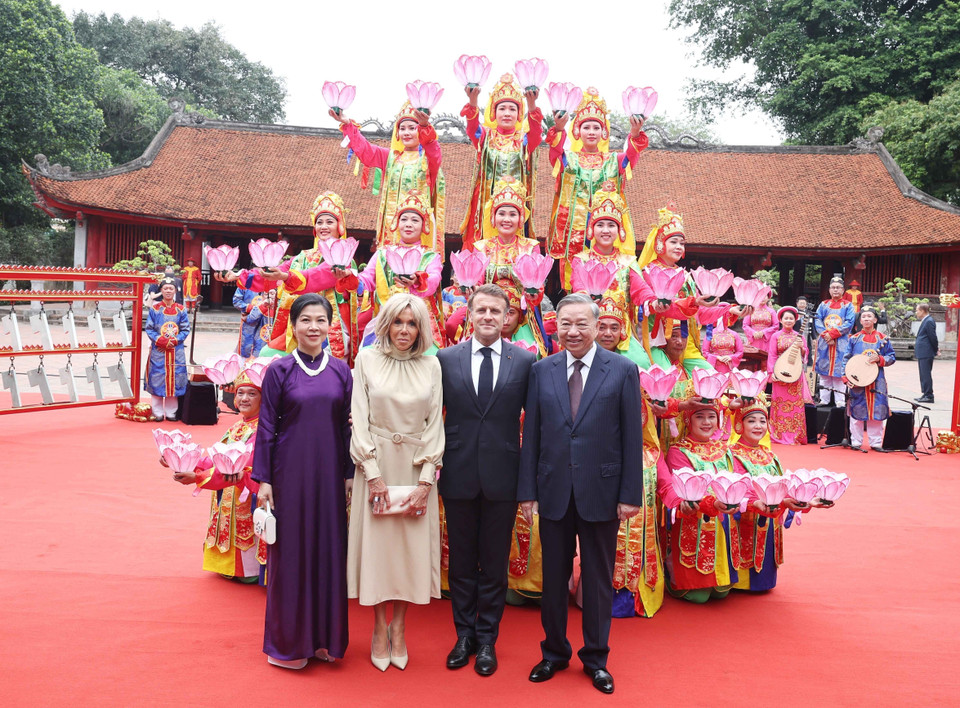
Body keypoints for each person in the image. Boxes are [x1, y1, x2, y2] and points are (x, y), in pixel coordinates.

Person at [518, 293, 644, 695]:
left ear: (596, 326)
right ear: (555, 326)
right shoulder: (541, 370)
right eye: (564, 324)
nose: (572, 332)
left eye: (581, 324)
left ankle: (596, 658)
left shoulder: (622, 370)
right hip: (552, 489)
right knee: (553, 579)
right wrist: (527, 492)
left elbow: (631, 436)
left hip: (602, 492)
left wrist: (630, 495)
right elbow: (532, 435)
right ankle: (553, 652)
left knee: (597, 578)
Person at [436, 284, 536, 676]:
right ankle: (463, 636)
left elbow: (537, 423)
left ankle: (488, 639)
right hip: (457, 472)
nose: (489, 317)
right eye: (482, 310)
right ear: (470, 314)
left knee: (493, 563)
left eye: (497, 311)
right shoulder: (446, 359)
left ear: (508, 316)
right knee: (461, 562)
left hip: (504, 476)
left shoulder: (525, 362)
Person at [251, 293, 354, 669]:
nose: (314, 327)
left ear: (331, 325)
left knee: (328, 551)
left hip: (329, 476)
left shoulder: (342, 371)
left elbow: (346, 427)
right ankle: (290, 644)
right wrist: (264, 479)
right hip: (288, 475)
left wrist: (348, 474)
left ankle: (325, 640)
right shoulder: (279, 370)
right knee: (291, 556)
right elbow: (265, 427)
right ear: (293, 325)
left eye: (321, 320)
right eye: (306, 320)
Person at [347, 294, 444, 671]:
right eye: (398, 322)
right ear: (385, 323)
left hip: (417, 466)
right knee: (377, 551)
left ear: (421, 329)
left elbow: (435, 424)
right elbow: (359, 416)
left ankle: (399, 628)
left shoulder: (432, 365)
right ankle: (376, 629)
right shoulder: (366, 359)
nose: (404, 330)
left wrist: (425, 481)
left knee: (408, 553)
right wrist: (372, 475)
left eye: (412, 323)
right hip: (375, 464)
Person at [220, 192, 360, 362]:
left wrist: (286, 277)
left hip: (330, 326)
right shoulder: (302, 257)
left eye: (329, 222)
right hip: (300, 322)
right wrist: (238, 276)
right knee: (267, 355)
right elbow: (273, 273)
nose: (323, 226)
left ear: (340, 226)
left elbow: (317, 277)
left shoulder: (344, 258)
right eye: (319, 222)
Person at [592, 296, 665, 619]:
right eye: (602, 326)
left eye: (614, 327)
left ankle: (632, 589)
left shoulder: (632, 366)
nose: (607, 332)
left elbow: (650, 409)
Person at [170, 368, 265, 583]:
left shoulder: (263, 429)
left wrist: (198, 478)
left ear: (263, 398)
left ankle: (247, 571)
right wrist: (180, 459)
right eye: (240, 393)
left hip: (246, 491)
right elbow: (215, 457)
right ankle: (229, 567)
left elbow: (239, 466)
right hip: (227, 490)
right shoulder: (238, 426)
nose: (244, 398)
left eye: (252, 394)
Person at [547, 90, 647, 278]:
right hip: (575, 225)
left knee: (608, 271)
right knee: (575, 272)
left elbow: (631, 157)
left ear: (603, 132)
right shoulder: (568, 158)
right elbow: (554, 154)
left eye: (596, 128)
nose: (591, 132)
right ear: (577, 131)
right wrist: (559, 129)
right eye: (586, 127)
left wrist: (634, 133)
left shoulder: (614, 160)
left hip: (605, 224)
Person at [332, 101, 444, 251]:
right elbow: (366, 151)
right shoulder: (390, 157)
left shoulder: (428, 159)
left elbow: (433, 149)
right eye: (402, 128)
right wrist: (347, 124)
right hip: (391, 230)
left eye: (412, 128)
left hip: (418, 232)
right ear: (397, 133)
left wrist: (425, 127)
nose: (406, 132)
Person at [658, 400, 738, 604]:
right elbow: (680, 492)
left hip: (722, 523)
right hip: (694, 522)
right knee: (697, 595)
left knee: (722, 592)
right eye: (699, 417)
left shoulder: (725, 450)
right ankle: (672, 574)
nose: (706, 422)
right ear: (688, 420)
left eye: (711, 416)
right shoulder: (679, 451)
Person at [570, 182, 652, 367]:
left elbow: (641, 290)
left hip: (620, 331)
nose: (605, 230)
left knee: (641, 364)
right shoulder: (581, 260)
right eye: (600, 225)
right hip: (588, 328)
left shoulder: (628, 261)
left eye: (611, 225)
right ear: (592, 229)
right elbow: (578, 288)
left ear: (619, 230)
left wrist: (653, 301)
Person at [354, 190, 446, 352]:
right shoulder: (383, 253)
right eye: (404, 219)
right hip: (388, 318)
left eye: (415, 220)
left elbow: (434, 280)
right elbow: (367, 279)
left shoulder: (430, 256)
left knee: (430, 362)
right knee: (369, 356)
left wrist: (418, 281)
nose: (408, 224)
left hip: (418, 320)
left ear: (424, 226)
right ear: (396, 223)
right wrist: (352, 280)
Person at [460, 73, 543, 249]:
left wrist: (531, 105)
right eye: (502, 108)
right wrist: (473, 101)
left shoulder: (523, 140)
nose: (507, 113)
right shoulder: (485, 137)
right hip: (486, 204)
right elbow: (472, 127)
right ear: (493, 112)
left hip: (515, 208)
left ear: (519, 114)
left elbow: (536, 132)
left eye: (512, 109)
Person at [727, 395, 797, 592]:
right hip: (747, 516)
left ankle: (763, 580)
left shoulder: (770, 455)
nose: (758, 426)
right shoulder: (732, 453)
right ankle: (740, 581)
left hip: (769, 518)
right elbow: (737, 486)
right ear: (739, 425)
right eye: (751, 421)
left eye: (762, 420)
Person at [843, 305, 896, 451]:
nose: (866, 319)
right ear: (860, 320)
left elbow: (891, 357)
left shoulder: (883, 339)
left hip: (877, 379)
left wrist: (879, 358)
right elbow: (845, 358)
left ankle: (875, 442)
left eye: (869, 316)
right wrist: (845, 377)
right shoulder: (854, 338)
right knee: (857, 408)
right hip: (857, 378)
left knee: (877, 409)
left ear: (875, 319)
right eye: (863, 317)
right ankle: (856, 441)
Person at [144, 278, 189, 421]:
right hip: (159, 350)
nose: (168, 291)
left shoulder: (181, 309)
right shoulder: (155, 309)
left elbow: (185, 329)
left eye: (171, 288)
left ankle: (171, 412)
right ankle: (157, 412)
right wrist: (161, 341)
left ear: (175, 290)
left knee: (175, 378)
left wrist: (174, 341)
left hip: (176, 349)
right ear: (161, 291)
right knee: (157, 377)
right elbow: (149, 329)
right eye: (165, 288)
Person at [767, 306, 812, 444]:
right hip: (779, 373)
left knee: (795, 406)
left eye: (791, 318)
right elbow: (772, 355)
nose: (788, 320)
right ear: (780, 320)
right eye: (785, 318)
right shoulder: (775, 336)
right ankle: (778, 434)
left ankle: (795, 435)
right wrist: (772, 373)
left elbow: (805, 355)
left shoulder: (799, 337)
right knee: (779, 405)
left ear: (795, 320)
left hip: (795, 373)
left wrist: (802, 349)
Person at [814, 276, 856, 407]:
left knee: (839, 373)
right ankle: (824, 399)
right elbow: (817, 320)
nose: (835, 290)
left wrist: (833, 335)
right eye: (833, 287)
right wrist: (827, 335)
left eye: (838, 287)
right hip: (825, 342)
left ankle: (840, 401)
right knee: (824, 373)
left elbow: (849, 323)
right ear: (829, 289)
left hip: (841, 342)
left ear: (843, 290)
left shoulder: (848, 306)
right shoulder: (823, 304)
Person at [914, 302, 938, 403]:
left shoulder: (929, 321)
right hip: (923, 351)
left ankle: (929, 395)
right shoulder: (925, 320)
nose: (916, 312)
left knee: (926, 374)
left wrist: (935, 349)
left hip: (926, 351)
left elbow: (933, 337)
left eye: (917, 310)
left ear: (923, 311)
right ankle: (925, 393)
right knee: (923, 374)